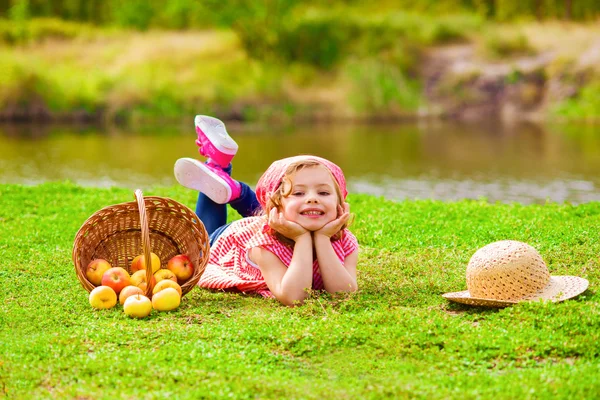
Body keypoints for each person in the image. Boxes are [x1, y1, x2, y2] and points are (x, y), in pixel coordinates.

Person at [174, 115, 359, 306]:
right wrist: (303, 238)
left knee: (276, 205)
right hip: (228, 240)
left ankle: (220, 167)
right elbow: (294, 297)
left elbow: (342, 293)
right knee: (199, 242)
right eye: (298, 193)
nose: (313, 198)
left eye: (323, 192)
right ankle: (217, 166)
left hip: (266, 219)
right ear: (276, 207)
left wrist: (322, 238)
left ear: (340, 204)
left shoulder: (345, 241)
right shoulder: (264, 244)